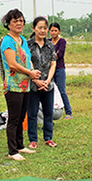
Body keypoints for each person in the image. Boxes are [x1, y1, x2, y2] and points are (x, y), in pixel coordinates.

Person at [0, 9, 41, 161]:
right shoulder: (7, 40)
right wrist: (29, 73)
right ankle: (12, 150)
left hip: (25, 85)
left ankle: (20, 145)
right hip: (13, 86)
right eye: (15, 21)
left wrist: (34, 74)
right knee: (14, 118)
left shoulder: (22, 39)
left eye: (21, 20)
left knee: (22, 116)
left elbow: (27, 61)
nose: (19, 23)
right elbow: (12, 64)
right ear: (8, 24)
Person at [27, 16, 57, 149]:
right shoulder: (28, 45)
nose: (43, 30)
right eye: (40, 27)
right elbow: (28, 63)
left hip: (48, 84)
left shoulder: (50, 45)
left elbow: (53, 64)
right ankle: (33, 139)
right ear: (34, 29)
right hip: (33, 84)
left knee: (48, 113)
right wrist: (36, 80)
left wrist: (48, 81)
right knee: (32, 113)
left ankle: (48, 138)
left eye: (45, 28)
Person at [49, 22, 72, 119]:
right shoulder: (47, 42)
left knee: (61, 90)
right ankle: (52, 111)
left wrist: (49, 57)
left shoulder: (62, 41)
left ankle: (68, 112)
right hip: (50, 69)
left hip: (59, 69)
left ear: (59, 31)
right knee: (50, 91)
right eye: (52, 30)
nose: (53, 32)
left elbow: (60, 54)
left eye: (55, 30)